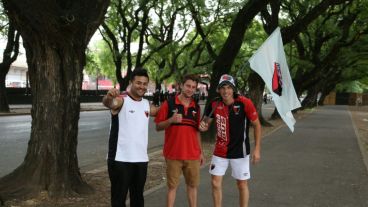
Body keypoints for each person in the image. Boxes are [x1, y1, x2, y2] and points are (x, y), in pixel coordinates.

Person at [199, 74, 261, 207]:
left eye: (228, 87)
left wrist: (257, 149)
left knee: (241, 184)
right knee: (215, 183)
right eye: (222, 88)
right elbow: (205, 124)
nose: (225, 91)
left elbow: (257, 125)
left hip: (240, 151)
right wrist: (203, 126)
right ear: (218, 89)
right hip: (220, 150)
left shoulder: (245, 103)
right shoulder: (214, 104)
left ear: (233, 89)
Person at [102, 68, 158, 207]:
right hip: (120, 159)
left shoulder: (146, 104)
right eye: (138, 83)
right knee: (119, 200)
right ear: (131, 82)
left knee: (138, 198)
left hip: (141, 160)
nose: (142, 86)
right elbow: (109, 103)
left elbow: (159, 111)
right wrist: (109, 96)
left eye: (145, 83)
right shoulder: (121, 100)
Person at [155, 74, 204, 207]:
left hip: (193, 155)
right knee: (172, 187)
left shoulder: (196, 107)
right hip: (173, 154)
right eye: (188, 86)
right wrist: (171, 120)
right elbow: (158, 126)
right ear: (181, 85)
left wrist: (201, 152)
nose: (190, 89)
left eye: (193, 87)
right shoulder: (169, 104)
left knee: (193, 186)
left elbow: (197, 132)